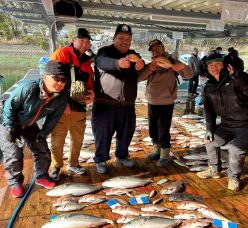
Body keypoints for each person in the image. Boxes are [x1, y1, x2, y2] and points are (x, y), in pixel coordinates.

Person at [0, 60, 69, 198]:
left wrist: (43, 133)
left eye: (63, 80)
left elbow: (53, 119)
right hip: (8, 121)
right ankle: (15, 183)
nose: (60, 83)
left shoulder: (61, 97)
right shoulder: (28, 88)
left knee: (42, 148)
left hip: (29, 124)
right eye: (56, 78)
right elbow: (9, 105)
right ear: (44, 77)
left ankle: (41, 175)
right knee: (13, 154)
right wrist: (9, 127)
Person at [92, 23, 145, 174]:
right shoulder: (105, 52)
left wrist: (141, 64)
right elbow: (101, 62)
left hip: (127, 105)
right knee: (102, 134)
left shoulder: (134, 53)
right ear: (114, 38)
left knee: (126, 132)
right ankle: (101, 159)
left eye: (128, 38)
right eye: (121, 38)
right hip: (105, 104)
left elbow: (141, 67)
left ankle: (122, 156)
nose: (124, 41)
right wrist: (117, 63)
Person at [196, 53, 248, 191]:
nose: (214, 67)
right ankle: (214, 169)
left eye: (218, 64)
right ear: (207, 68)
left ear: (224, 65)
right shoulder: (209, 86)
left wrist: (239, 77)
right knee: (211, 141)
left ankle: (234, 177)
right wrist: (209, 129)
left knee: (235, 150)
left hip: (246, 124)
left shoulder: (235, 78)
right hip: (226, 124)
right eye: (211, 65)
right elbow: (209, 111)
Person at [138, 39, 193, 167]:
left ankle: (165, 154)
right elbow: (139, 78)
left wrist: (179, 66)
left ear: (163, 48)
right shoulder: (151, 63)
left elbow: (189, 74)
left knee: (163, 129)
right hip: (151, 100)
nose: (155, 50)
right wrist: (149, 69)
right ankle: (156, 150)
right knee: (152, 128)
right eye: (152, 49)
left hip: (166, 102)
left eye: (157, 47)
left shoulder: (172, 61)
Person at [49, 28, 94, 180]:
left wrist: (92, 94)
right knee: (58, 139)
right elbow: (53, 81)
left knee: (78, 138)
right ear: (73, 40)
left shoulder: (88, 62)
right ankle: (56, 166)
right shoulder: (61, 54)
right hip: (61, 107)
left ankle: (74, 164)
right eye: (81, 40)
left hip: (79, 106)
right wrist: (62, 103)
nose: (84, 44)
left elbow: (89, 83)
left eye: (87, 42)